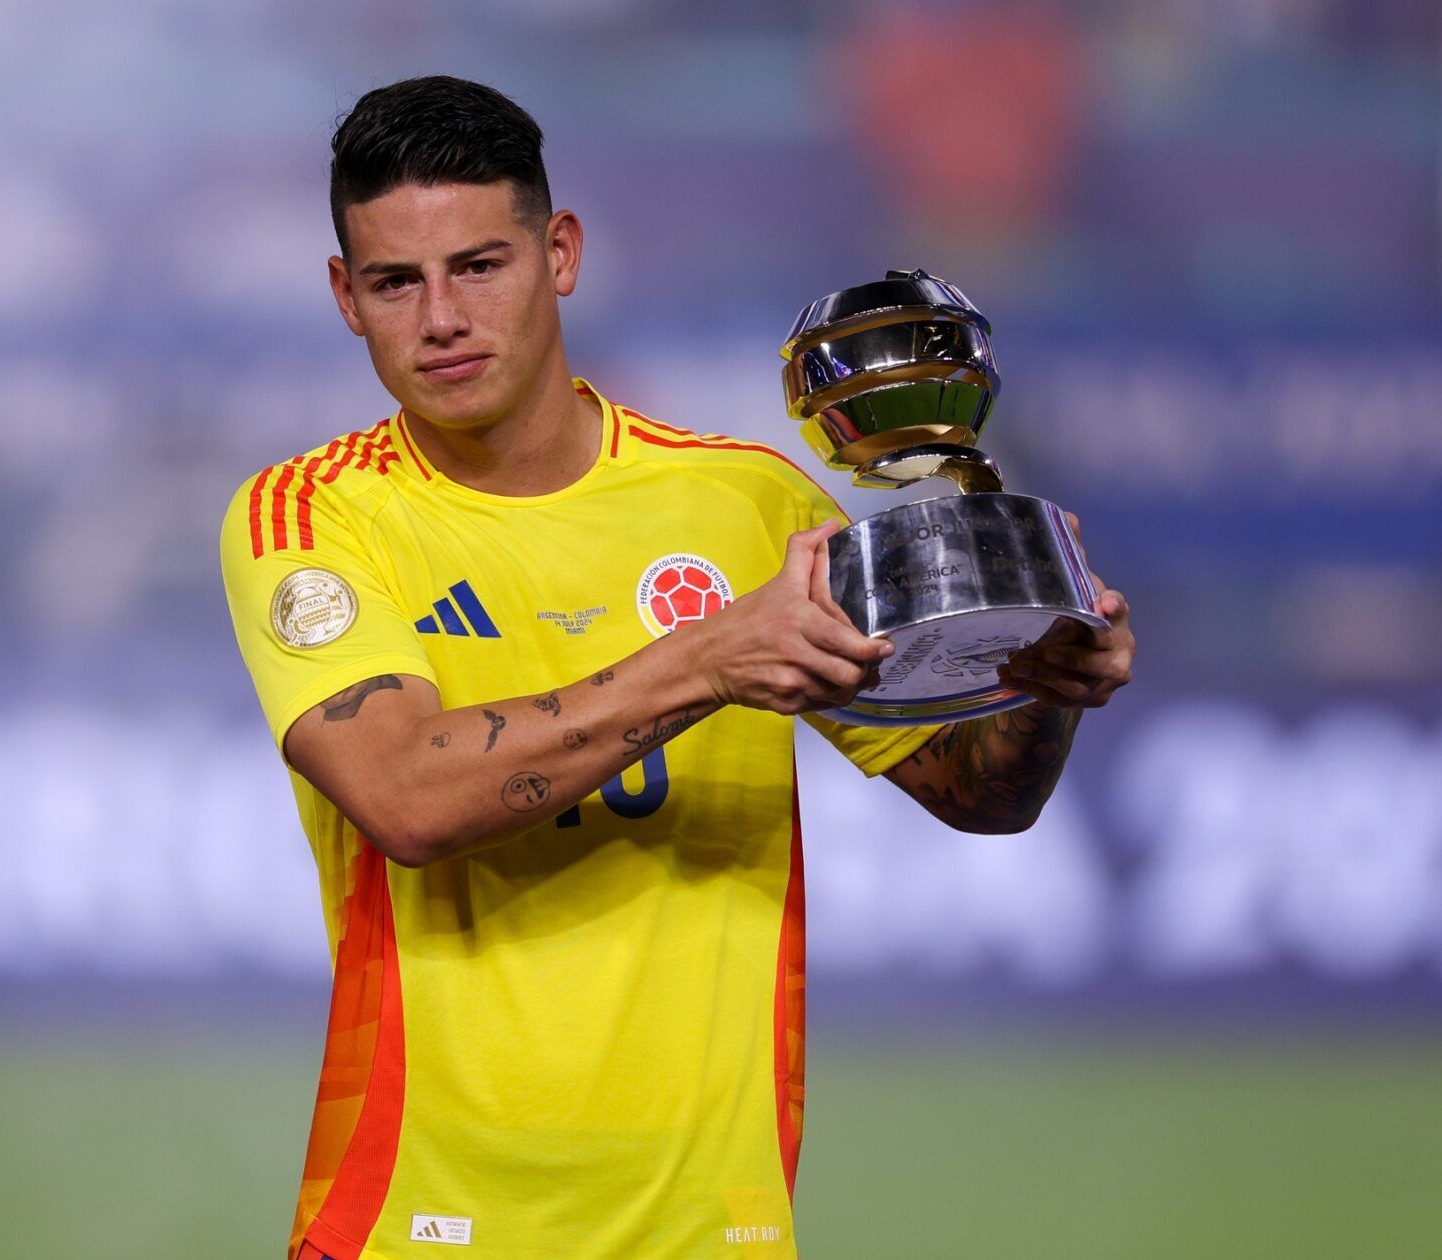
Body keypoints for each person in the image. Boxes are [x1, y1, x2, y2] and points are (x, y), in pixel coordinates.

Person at [220, 75, 1135, 1260]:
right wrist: (709, 657)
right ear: (347, 297)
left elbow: (981, 794)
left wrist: (1042, 688)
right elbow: (404, 797)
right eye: (398, 281)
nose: (440, 317)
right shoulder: (311, 518)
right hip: (419, 1225)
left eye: (479, 266)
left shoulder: (744, 501)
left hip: (717, 1232)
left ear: (561, 253)